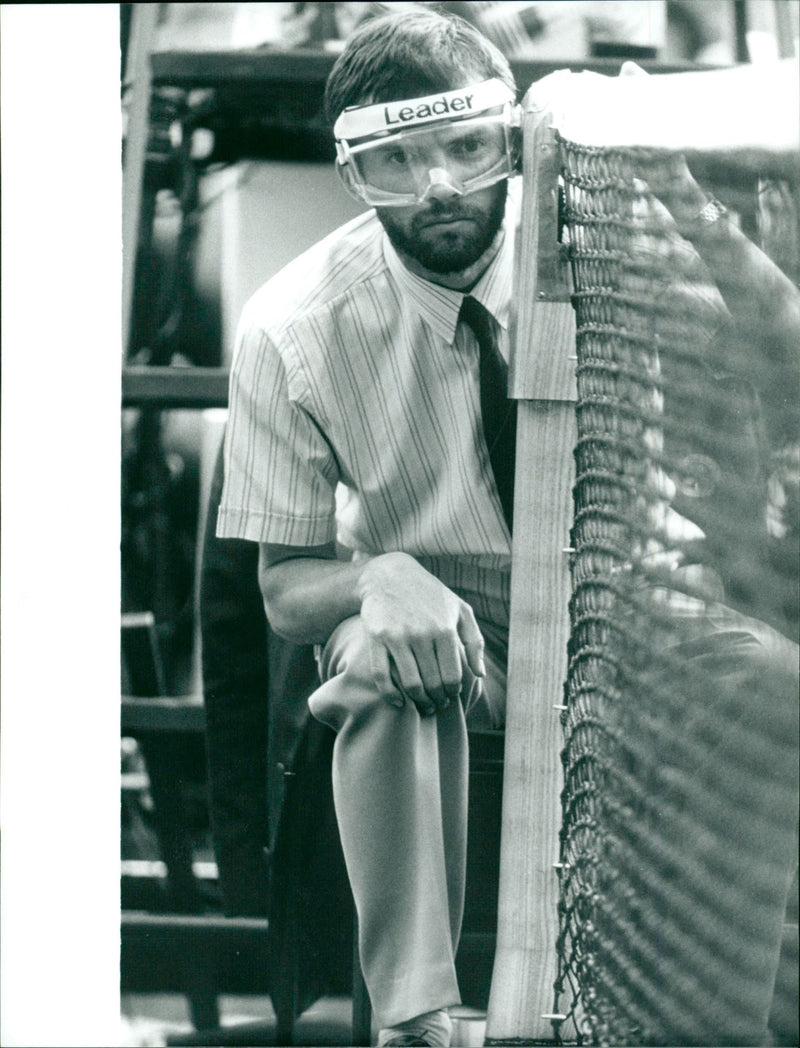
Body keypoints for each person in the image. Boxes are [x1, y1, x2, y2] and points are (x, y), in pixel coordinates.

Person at [217, 10, 520, 1045]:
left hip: (623, 630)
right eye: (392, 161)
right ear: (350, 174)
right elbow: (282, 589)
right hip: (456, 643)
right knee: (375, 656)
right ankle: (417, 1019)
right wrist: (372, 576)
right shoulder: (289, 328)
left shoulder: (615, 252)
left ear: (509, 140)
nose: (436, 185)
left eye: (465, 147)